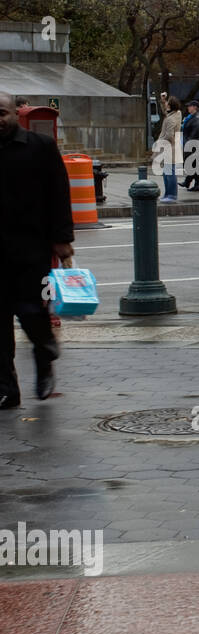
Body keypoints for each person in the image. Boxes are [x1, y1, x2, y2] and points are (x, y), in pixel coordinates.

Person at [0, 93, 74, 407]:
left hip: (32, 248)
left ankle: (44, 353)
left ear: (15, 113)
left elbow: (59, 193)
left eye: (1, 112)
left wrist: (62, 239)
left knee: (32, 311)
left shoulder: (40, 147)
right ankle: (6, 389)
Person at [157, 96, 182, 202]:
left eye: (168, 103)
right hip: (172, 147)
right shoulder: (177, 114)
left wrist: (162, 140)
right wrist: (163, 101)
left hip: (168, 148)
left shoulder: (171, 119)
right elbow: (166, 112)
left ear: (171, 106)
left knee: (169, 173)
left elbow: (169, 135)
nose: (166, 105)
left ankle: (171, 195)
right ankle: (168, 194)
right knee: (167, 172)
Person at [180, 99, 199, 192]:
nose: (188, 107)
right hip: (193, 143)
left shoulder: (197, 118)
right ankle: (197, 184)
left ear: (195, 107)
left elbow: (195, 133)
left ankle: (193, 183)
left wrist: (189, 143)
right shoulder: (191, 117)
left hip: (194, 144)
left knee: (193, 165)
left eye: (189, 106)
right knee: (195, 165)